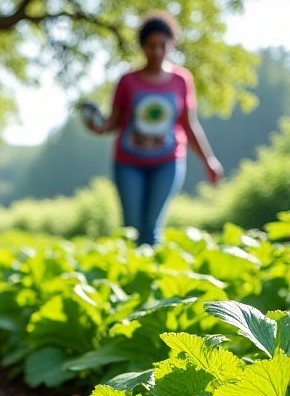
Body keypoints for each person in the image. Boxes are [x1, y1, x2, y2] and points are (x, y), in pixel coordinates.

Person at [87, 12, 223, 245]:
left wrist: (208, 160)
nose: (157, 52)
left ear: (171, 44)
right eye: (151, 46)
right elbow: (113, 122)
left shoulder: (182, 80)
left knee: (151, 228)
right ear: (142, 47)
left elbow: (189, 125)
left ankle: (150, 277)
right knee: (132, 228)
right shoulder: (128, 81)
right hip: (128, 163)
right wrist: (99, 126)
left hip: (167, 162)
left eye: (162, 45)